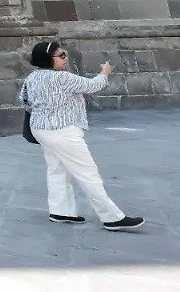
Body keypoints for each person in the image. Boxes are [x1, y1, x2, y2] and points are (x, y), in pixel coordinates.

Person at [19, 41, 143, 231]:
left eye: (64, 54)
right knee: (88, 173)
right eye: (61, 56)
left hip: (41, 129)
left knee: (57, 169)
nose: (65, 58)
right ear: (48, 59)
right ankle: (111, 217)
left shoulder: (32, 77)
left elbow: (25, 101)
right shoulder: (63, 78)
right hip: (63, 131)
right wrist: (105, 72)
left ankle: (61, 211)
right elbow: (92, 85)